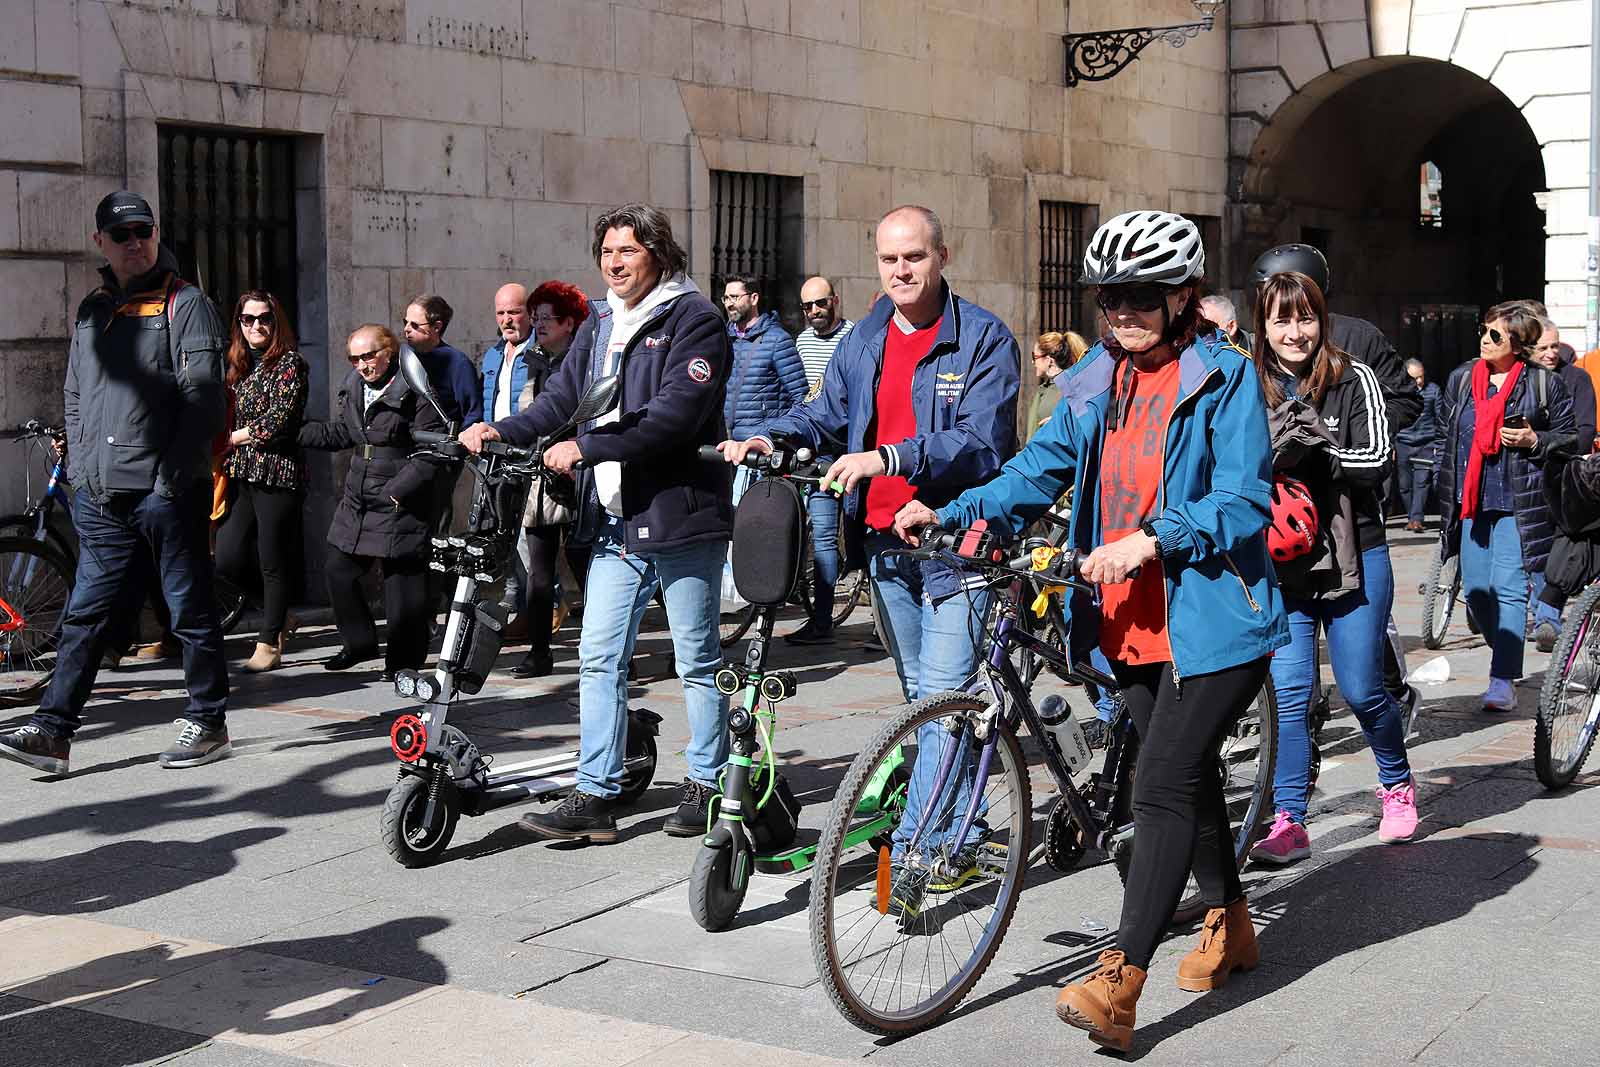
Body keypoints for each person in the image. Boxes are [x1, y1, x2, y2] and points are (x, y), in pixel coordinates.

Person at [899, 210, 1287, 1053]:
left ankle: (1121, 978)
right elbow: (1034, 470)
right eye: (1111, 297)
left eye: (1143, 297)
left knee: (1158, 785)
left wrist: (1152, 538)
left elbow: (1244, 500)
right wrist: (952, 507)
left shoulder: (1224, 378)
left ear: (1183, 296)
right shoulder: (1096, 383)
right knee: (1189, 782)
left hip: (1214, 621)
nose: (1124, 312)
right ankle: (1233, 923)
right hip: (1131, 621)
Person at [721, 204, 1021, 910]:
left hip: (955, 548)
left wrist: (890, 455)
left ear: (943, 254)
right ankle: (968, 825)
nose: (901, 270)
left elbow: (983, 442)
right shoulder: (866, 339)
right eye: (889, 259)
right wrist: (772, 437)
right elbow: (824, 415)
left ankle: (919, 852)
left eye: (914, 256)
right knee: (927, 700)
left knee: (942, 703)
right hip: (885, 548)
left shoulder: (983, 339)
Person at [460, 204, 734, 843]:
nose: (614, 263)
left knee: (695, 656)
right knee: (598, 656)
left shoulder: (695, 319)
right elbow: (562, 400)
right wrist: (500, 428)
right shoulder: (603, 318)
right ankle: (597, 793)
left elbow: (676, 415)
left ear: (660, 255)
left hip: (680, 512)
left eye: (628, 252)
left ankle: (708, 781)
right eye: (607, 252)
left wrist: (590, 448)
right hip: (616, 519)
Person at [0, 191, 232, 775]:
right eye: (122, 234)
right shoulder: (93, 309)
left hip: (167, 492)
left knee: (188, 610)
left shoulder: (187, 304)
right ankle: (54, 732)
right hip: (100, 497)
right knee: (85, 615)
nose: (135, 243)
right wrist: (79, 470)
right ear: (100, 240)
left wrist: (170, 479)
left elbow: (202, 399)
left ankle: (207, 719)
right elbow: (75, 393)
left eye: (143, 232)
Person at [1246, 270, 1419, 867]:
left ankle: (1395, 783)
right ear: (1262, 326)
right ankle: (1289, 819)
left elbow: (1376, 459)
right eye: (1280, 320)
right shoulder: (1248, 382)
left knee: (1362, 688)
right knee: (1290, 696)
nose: (1295, 332)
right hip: (1283, 560)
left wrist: (1316, 445)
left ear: (1322, 319)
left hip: (1356, 553)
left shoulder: (1355, 378)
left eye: (1305, 318)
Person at [1434, 302, 1574, 711]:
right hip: (1473, 501)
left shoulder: (1543, 384)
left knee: (1507, 588)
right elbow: (1446, 436)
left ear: (1518, 342)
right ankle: (1506, 650)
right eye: (1484, 330)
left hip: (1519, 503)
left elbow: (1568, 437)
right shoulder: (1462, 380)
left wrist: (1535, 441)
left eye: (1495, 335)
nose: (1485, 339)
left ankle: (1502, 678)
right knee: (1477, 592)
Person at [298, 325, 450, 680]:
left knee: (403, 586)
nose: (362, 365)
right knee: (338, 568)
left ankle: (403, 665)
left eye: (368, 355)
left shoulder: (415, 388)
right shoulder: (353, 387)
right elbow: (344, 433)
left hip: (400, 495)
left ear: (389, 351)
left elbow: (432, 448)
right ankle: (360, 642)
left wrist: (400, 489)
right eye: (355, 358)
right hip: (359, 492)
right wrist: (294, 431)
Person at [213, 289, 309, 673]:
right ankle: (278, 612)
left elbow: (280, 420)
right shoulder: (236, 365)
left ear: (276, 321)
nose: (257, 325)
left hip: (278, 472)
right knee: (228, 556)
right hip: (240, 471)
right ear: (239, 324)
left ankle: (269, 640)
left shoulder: (290, 363)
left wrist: (231, 438)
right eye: (248, 319)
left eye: (265, 318)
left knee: (272, 558)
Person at [510, 280, 591, 678]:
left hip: (580, 475)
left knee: (585, 564)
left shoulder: (585, 363)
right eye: (536, 317)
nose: (538, 324)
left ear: (570, 323)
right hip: (539, 477)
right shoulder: (535, 360)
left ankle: (612, 651)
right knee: (539, 572)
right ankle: (539, 651)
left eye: (548, 318)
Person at [786, 275, 855, 645]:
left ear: (835, 301)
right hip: (811, 453)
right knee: (814, 534)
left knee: (842, 539)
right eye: (807, 306)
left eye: (820, 304)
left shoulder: (856, 338)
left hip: (848, 453)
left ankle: (832, 620)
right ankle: (817, 613)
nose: (813, 312)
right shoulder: (802, 342)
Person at [402, 294, 482, 429]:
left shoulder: (458, 363)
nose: (406, 329)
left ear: (436, 327)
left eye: (414, 325)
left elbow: (472, 414)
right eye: (406, 322)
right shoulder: (404, 356)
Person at [1395, 359, 1441, 532]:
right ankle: (1411, 516)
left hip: (1426, 443)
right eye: (1415, 378)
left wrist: (1438, 443)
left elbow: (1440, 417)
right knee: (1404, 484)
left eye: (1421, 377)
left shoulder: (1433, 391)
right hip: (1403, 442)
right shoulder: (1398, 392)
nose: (1419, 381)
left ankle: (1416, 519)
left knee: (1422, 482)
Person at [1027, 330, 1088, 439]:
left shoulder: (1065, 388)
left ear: (1048, 359)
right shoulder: (1048, 388)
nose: (1033, 362)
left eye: (1034, 357)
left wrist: (1061, 423)